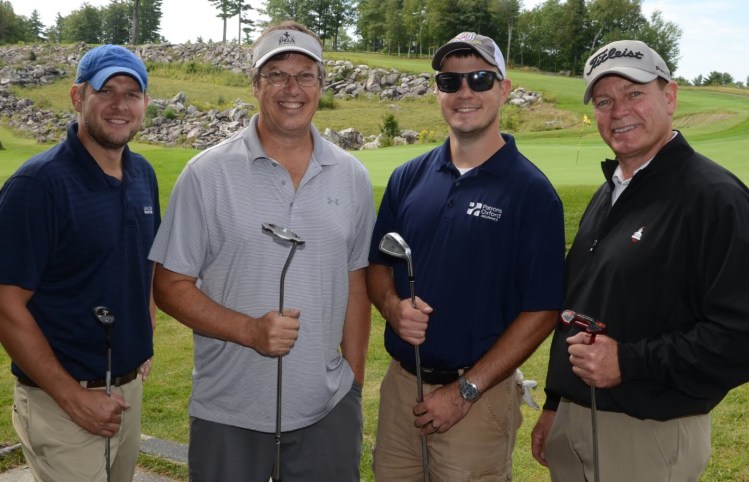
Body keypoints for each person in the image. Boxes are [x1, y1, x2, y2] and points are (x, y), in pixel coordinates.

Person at [148, 21, 375, 482]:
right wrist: (249, 330)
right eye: (276, 75)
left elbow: (356, 281)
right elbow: (169, 286)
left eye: (305, 75)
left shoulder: (352, 176)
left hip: (326, 409)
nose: (292, 88)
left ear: (321, 85)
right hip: (228, 411)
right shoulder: (206, 174)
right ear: (255, 85)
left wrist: (352, 383)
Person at [531, 39, 749, 481]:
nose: (619, 111)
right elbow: (585, 302)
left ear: (669, 97)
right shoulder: (613, 191)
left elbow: (740, 336)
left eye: (634, 94)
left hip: (649, 435)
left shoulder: (714, 198)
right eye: (605, 101)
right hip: (578, 420)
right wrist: (557, 403)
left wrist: (630, 362)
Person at [367, 32, 566, 481]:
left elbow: (542, 310)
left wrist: (465, 391)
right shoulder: (407, 177)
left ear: (504, 88)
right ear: (437, 90)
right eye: (450, 81)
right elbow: (378, 266)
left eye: (479, 79)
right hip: (402, 389)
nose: (464, 93)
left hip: (478, 397)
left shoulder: (532, 194)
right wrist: (393, 308)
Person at [0, 44, 158, 481]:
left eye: (132, 93)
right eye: (106, 90)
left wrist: (143, 330)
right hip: (61, 402)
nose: (119, 105)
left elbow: (143, 262)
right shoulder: (37, 185)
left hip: (126, 391)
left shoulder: (143, 175)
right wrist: (73, 398)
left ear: (145, 103)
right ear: (77, 98)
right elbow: (6, 305)